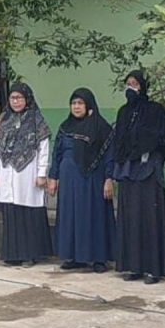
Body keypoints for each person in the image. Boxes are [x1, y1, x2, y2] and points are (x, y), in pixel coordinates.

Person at [112, 70, 165, 285]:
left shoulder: (155, 110)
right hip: (128, 171)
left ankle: (153, 269)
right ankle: (133, 267)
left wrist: (152, 156)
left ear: (143, 86)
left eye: (135, 84)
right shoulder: (123, 113)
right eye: (127, 84)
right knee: (130, 219)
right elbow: (118, 142)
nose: (131, 87)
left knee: (149, 218)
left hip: (148, 171)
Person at [47, 88, 116, 273]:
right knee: (71, 216)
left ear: (89, 105)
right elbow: (57, 153)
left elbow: (109, 155)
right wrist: (53, 177)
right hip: (69, 179)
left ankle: (98, 259)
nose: (76, 107)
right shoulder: (64, 127)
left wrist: (109, 178)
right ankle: (74, 257)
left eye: (80, 103)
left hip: (92, 179)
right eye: (73, 103)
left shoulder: (101, 128)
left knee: (93, 215)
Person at [0, 82, 53, 266]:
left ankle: (29, 255)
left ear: (27, 99)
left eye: (19, 98)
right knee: (11, 214)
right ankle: (12, 255)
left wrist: (42, 173)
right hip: (7, 172)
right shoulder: (4, 119)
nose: (16, 102)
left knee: (27, 214)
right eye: (12, 98)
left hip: (28, 174)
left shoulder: (36, 120)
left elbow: (43, 147)